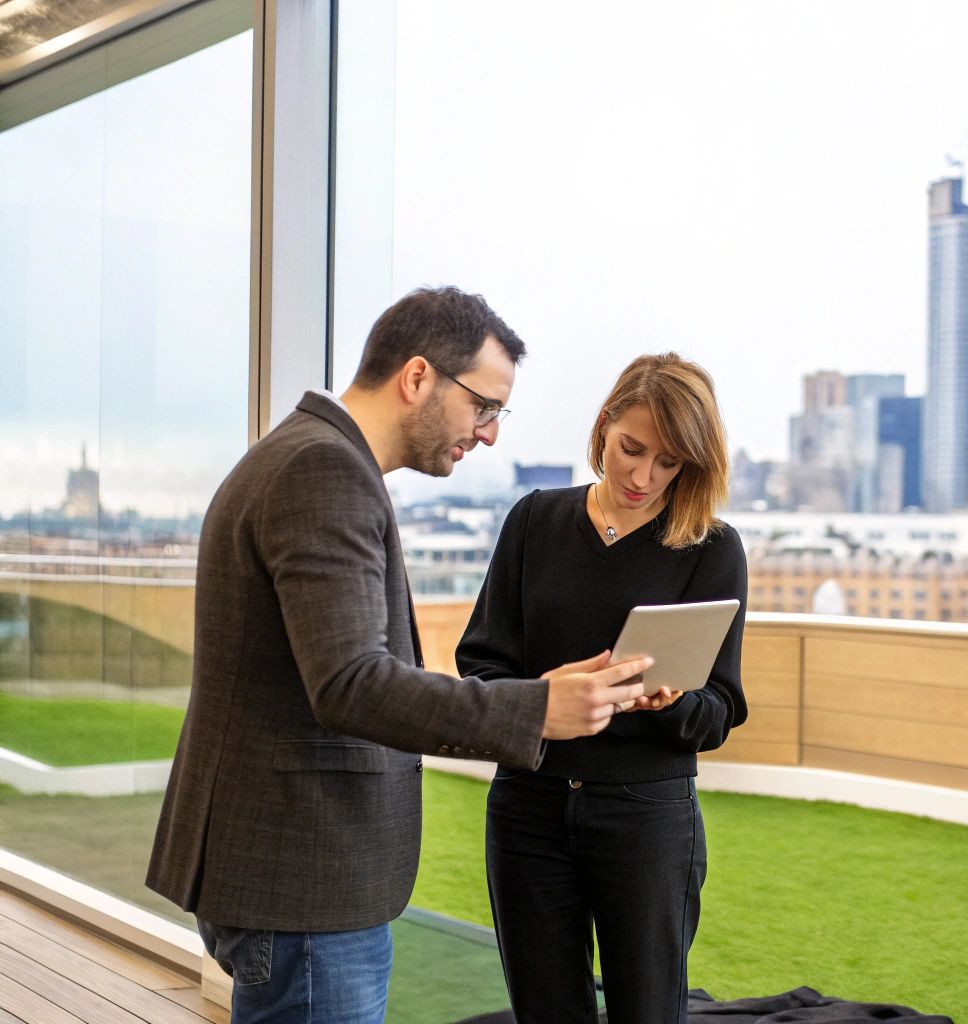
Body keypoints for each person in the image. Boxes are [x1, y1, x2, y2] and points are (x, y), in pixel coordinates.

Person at [147, 287, 659, 1023]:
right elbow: (352, 683)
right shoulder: (323, 472)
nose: (488, 435)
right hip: (306, 876)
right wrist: (539, 707)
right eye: (483, 407)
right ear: (418, 378)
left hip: (289, 870)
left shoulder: (306, 454)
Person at [457, 352, 748, 1024]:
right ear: (604, 426)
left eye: (669, 462)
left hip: (646, 817)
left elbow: (721, 709)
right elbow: (480, 664)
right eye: (631, 449)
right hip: (527, 811)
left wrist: (674, 703)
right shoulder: (534, 522)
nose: (644, 476)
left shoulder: (712, 548)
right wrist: (544, 694)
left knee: (647, 1011)